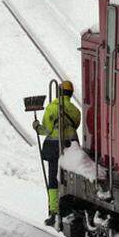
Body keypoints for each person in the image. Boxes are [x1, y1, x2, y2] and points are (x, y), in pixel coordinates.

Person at [34, 79, 81, 226]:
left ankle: (54, 212)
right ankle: (69, 208)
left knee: (53, 180)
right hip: (71, 146)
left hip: (54, 148)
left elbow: (46, 130)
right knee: (69, 179)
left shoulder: (51, 108)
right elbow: (77, 124)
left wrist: (37, 127)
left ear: (59, 92)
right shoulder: (75, 110)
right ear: (71, 94)